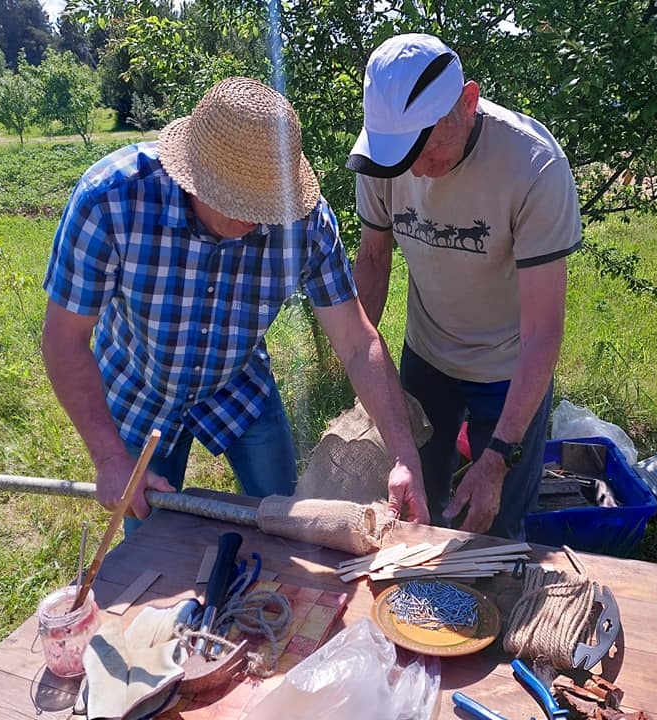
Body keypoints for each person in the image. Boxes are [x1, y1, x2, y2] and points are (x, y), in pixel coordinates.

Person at [41, 76, 428, 533]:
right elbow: (64, 340)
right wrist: (110, 459)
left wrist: (403, 456)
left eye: (266, 205)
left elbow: (357, 341)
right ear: (192, 175)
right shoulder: (111, 198)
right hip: (139, 385)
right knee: (151, 542)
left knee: (283, 522)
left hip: (239, 384)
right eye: (236, 202)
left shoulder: (306, 222)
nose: (253, 219)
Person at [346, 33, 582, 539]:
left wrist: (497, 455)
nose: (414, 171)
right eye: (399, 156)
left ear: (468, 102)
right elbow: (371, 259)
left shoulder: (534, 165)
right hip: (425, 357)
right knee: (412, 507)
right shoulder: (383, 154)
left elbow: (543, 329)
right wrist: (361, 372)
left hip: (509, 369)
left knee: (494, 523)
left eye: (426, 150)